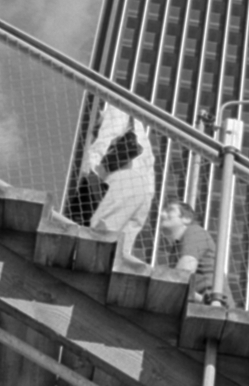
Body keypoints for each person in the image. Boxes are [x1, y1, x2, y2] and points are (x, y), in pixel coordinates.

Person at [79, 101, 155, 261]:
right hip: (143, 194)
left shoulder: (116, 108)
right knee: (120, 253)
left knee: (100, 235)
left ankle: (85, 259)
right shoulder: (141, 134)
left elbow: (105, 141)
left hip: (125, 180)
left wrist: (88, 168)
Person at [160, 200, 221, 300]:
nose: (162, 214)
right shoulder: (175, 248)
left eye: (170, 210)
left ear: (187, 218)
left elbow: (183, 274)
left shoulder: (194, 231)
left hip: (210, 302)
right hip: (199, 300)